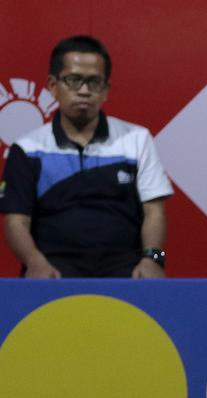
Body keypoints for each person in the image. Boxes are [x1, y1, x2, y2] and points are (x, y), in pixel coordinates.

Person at [1, 35, 171, 278]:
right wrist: (34, 262)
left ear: (106, 91)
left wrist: (153, 258)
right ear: (52, 86)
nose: (84, 90)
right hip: (54, 272)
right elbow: (16, 220)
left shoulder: (136, 139)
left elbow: (154, 210)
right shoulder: (27, 148)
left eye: (94, 82)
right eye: (73, 80)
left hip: (127, 272)